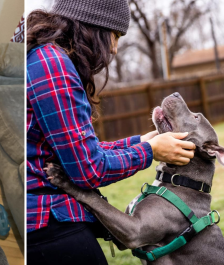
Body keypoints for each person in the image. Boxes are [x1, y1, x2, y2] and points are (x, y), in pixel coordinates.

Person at [26, 1, 196, 264]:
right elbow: (88, 170)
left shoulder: (45, 59)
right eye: (115, 36)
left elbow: (77, 152)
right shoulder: (53, 66)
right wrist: (150, 152)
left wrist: (140, 141)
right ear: (94, 27)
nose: (114, 48)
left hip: (45, 224)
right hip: (48, 227)